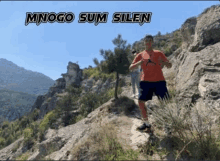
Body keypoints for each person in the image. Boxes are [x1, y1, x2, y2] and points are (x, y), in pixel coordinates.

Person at [129, 35, 172, 133]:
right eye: (146, 41)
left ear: (152, 42)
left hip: (159, 81)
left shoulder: (159, 53)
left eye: (150, 40)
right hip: (146, 82)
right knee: (141, 102)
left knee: (164, 102)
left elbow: (170, 65)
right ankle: (147, 124)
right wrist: (139, 62)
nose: (148, 42)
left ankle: (167, 124)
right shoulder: (140, 55)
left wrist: (164, 63)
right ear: (144, 42)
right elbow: (130, 67)